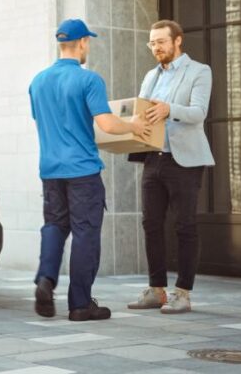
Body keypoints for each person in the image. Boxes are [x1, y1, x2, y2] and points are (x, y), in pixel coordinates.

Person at [31, 18, 151, 321]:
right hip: (82, 170)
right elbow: (108, 123)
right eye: (88, 42)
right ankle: (81, 304)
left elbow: (47, 122)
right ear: (83, 42)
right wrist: (134, 125)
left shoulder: (38, 81)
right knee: (85, 233)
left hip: (50, 170)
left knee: (54, 226)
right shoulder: (89, 80)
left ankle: (45, 280)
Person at [126, 20, 214, 314]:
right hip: (154, 157)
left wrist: (168, 110)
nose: (156, 48)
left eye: (161, 42)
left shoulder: (199, 71)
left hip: (185, 160)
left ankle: (183, 293)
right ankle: (156, 290)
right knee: (151, 224)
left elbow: (199, 113)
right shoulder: (150, 76)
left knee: (184, 225)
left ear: (178, 41)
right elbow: (143, 112)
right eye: (152, 43)